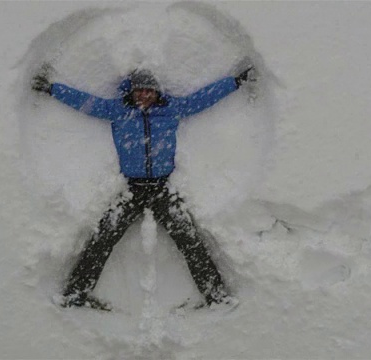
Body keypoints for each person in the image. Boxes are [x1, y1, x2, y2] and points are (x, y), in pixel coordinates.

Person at [32, 61, 256, 310]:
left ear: (157, 92)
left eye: (149, 91)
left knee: (189, 240)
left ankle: (216, 296)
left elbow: (203, 98)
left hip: (162, 190)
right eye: (140, 91)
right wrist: (52, 89)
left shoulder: (172, 109)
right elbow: (85, 102)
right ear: (132, 91)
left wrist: (235, 82)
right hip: (132, 190)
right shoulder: (117, 111)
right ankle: (75, 294)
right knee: (103, 238)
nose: (144, 96)